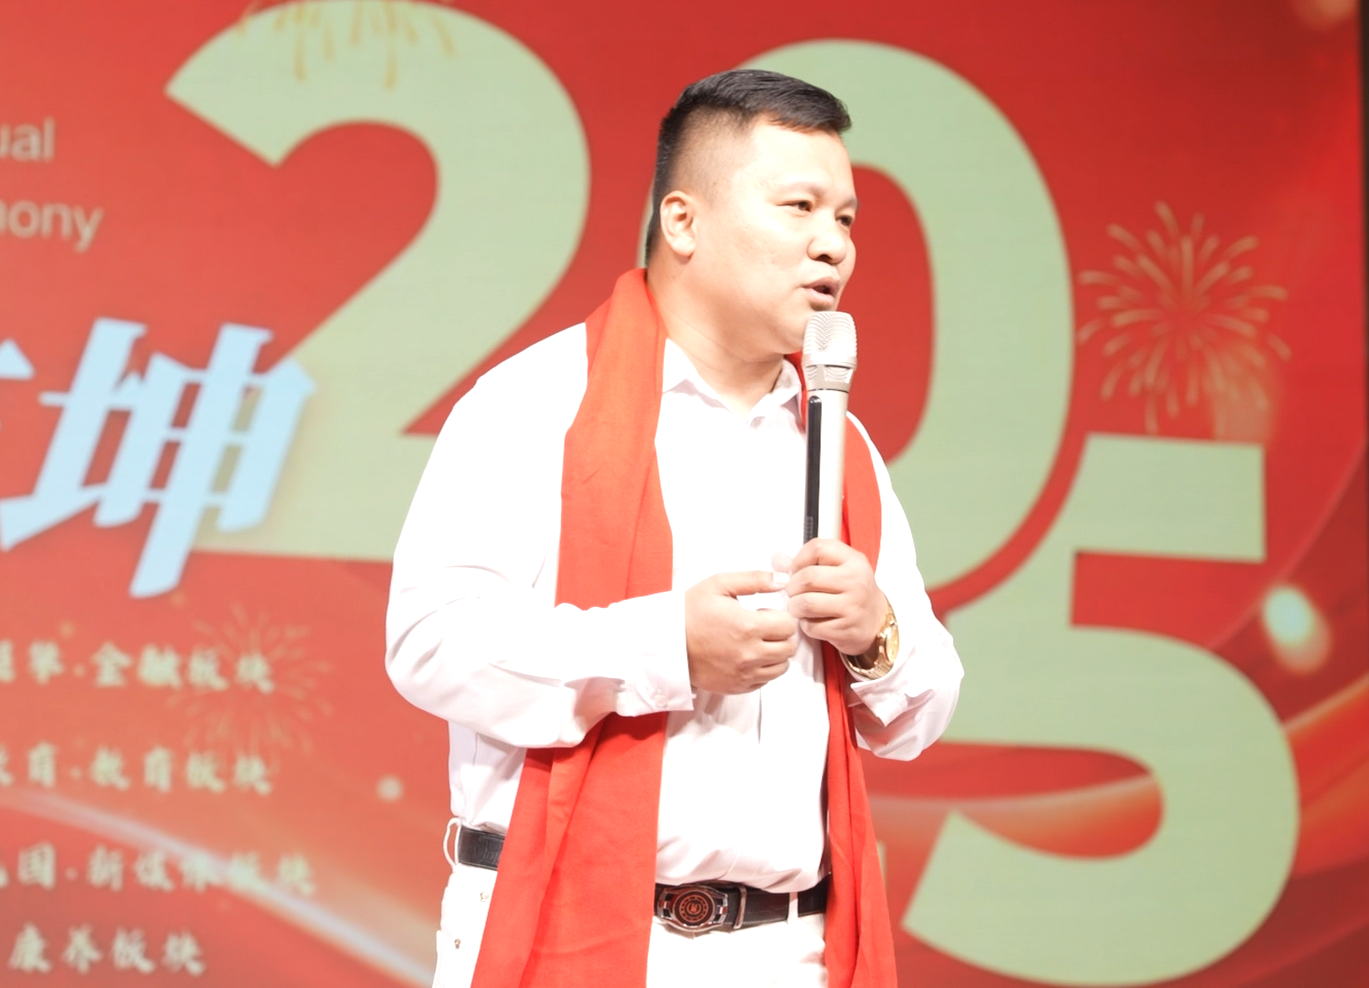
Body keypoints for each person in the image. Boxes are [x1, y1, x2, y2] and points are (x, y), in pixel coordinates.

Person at [386, 69, 963, 988]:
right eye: (800, 208)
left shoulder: (839, 442)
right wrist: (667, 647)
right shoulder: (538, 403)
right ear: (684, 222)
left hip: (787, 949)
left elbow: (921, 714)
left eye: (847, 219)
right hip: (563, 921)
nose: (834, 246)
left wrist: (876, 634)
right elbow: (432, 644)